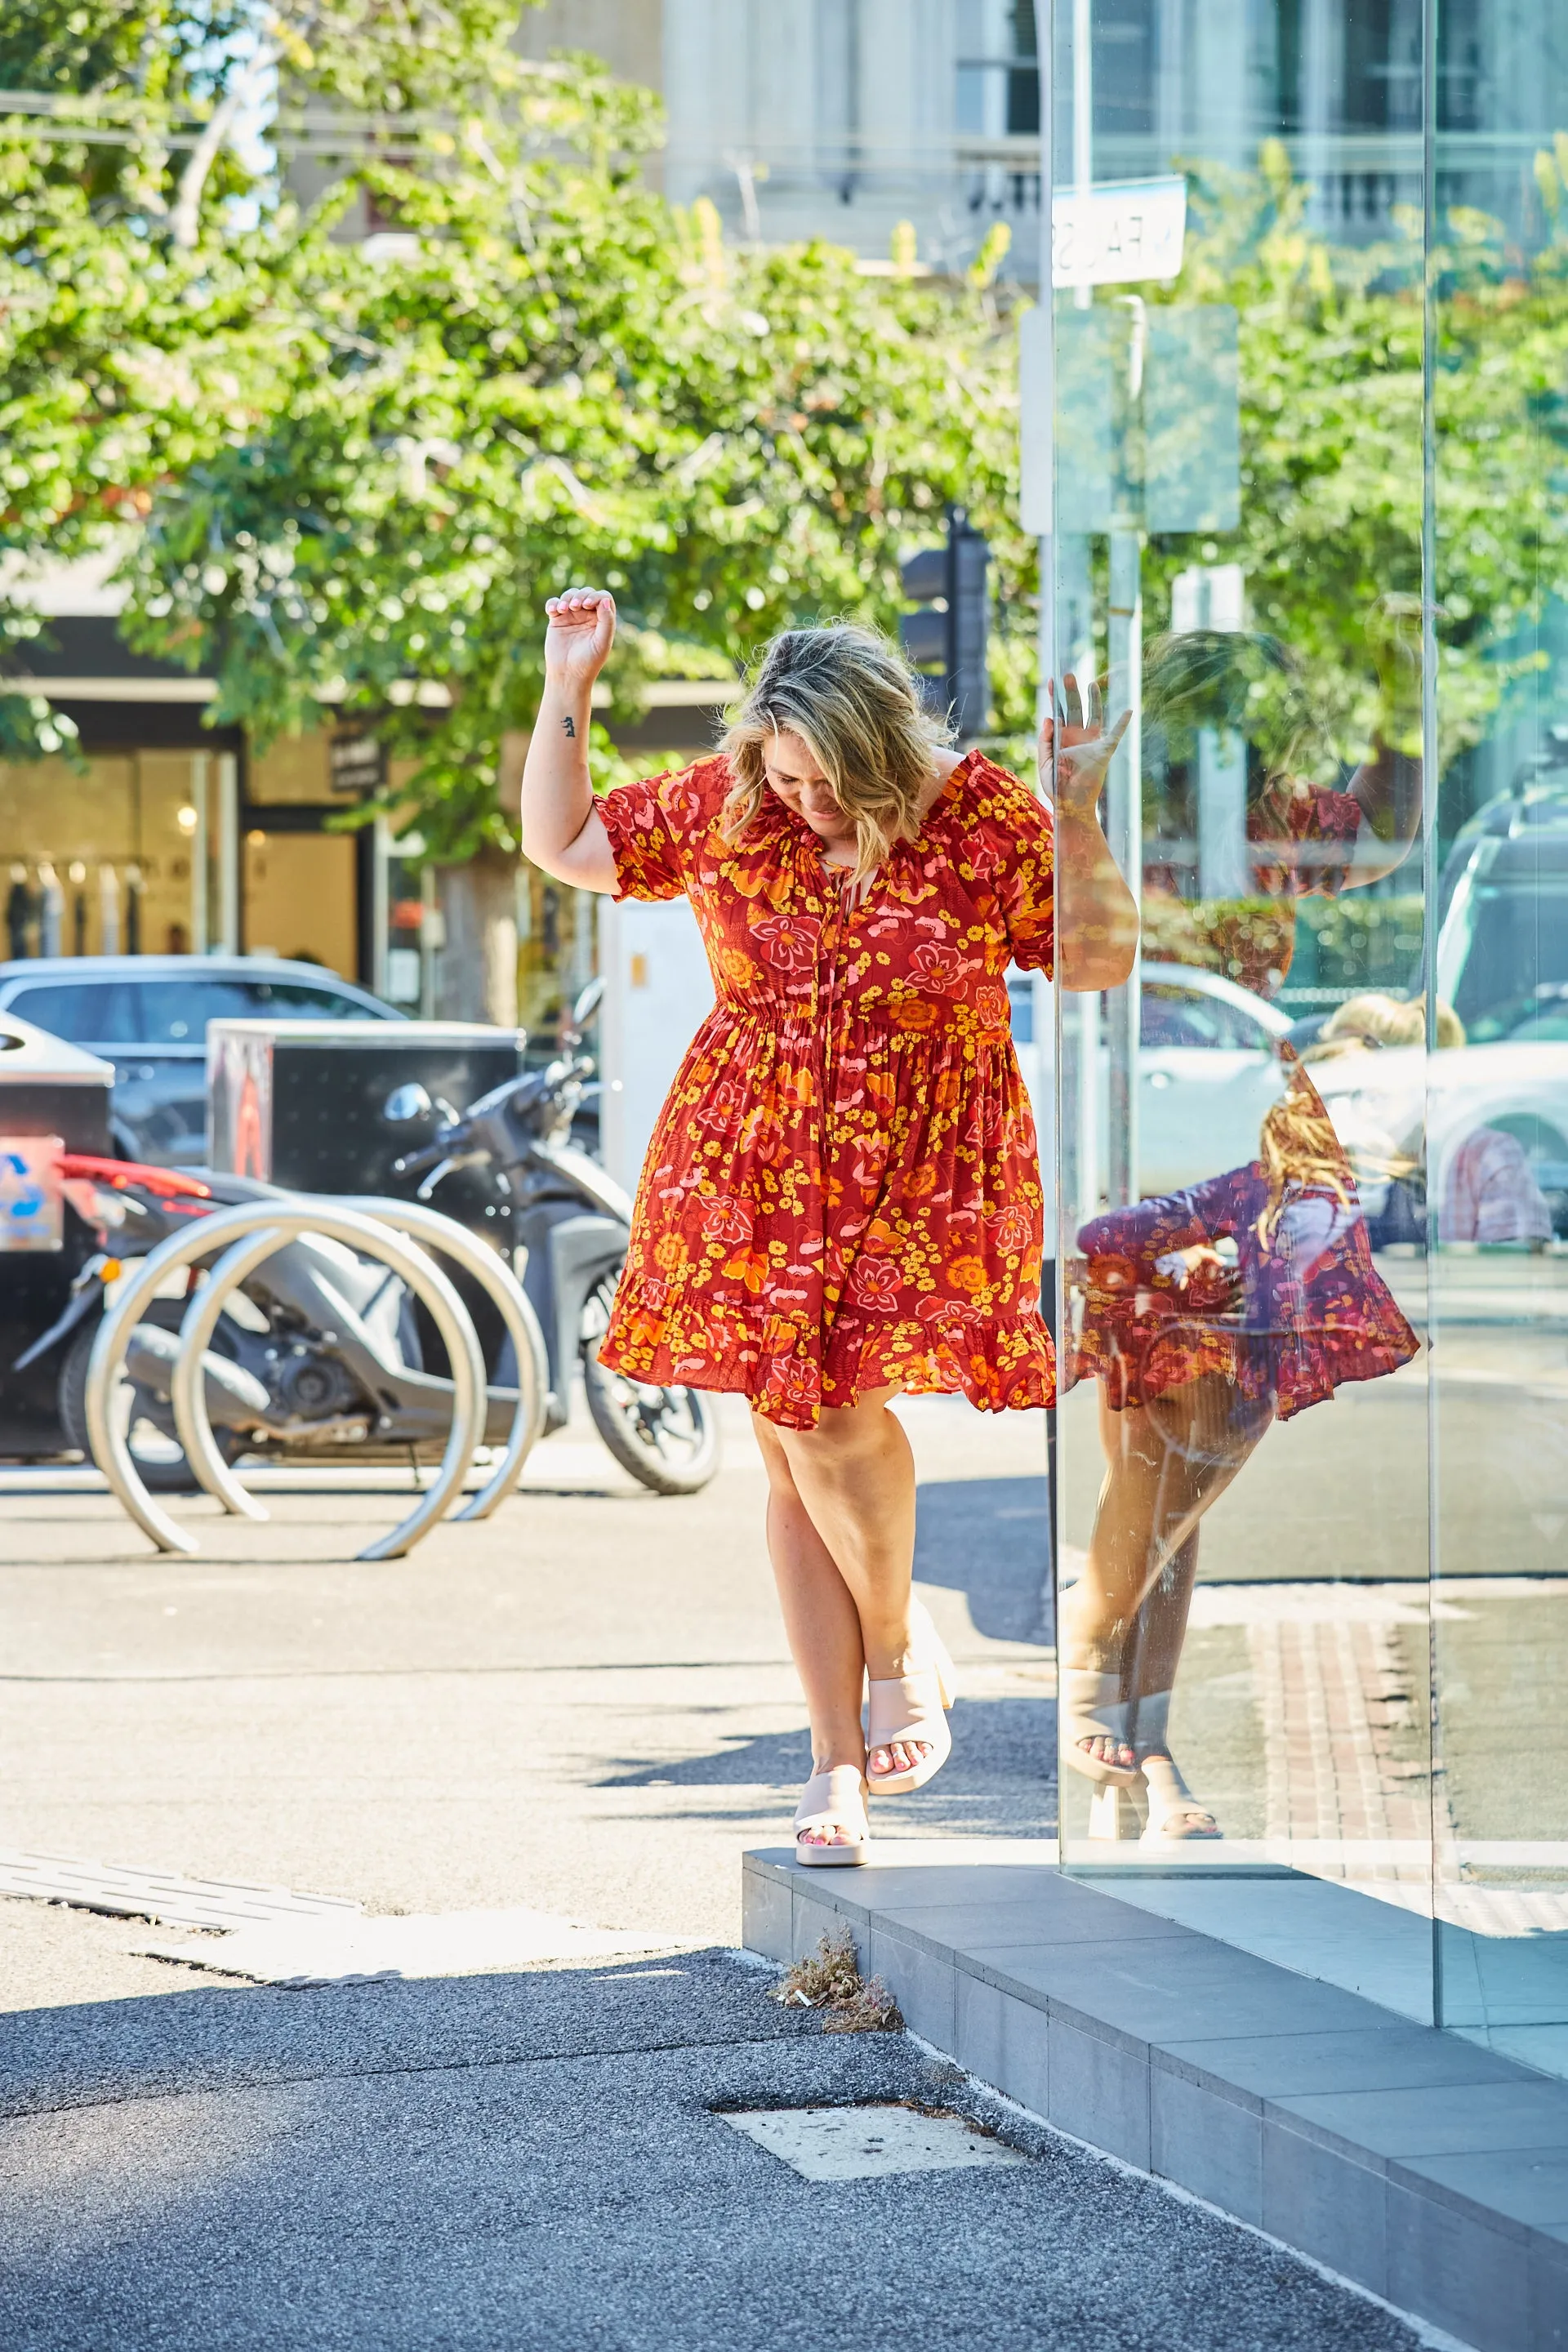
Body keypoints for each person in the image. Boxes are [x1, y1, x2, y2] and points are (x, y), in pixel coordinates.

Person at [519, 588, 1137, 1863]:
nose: (799, 802)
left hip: (917, 1171)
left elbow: (1093, 960)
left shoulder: (976, 817)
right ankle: (836, 1758)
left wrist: (1076, 814)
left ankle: (899, 1650)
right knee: (788, 1438)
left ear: (881, 755)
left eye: (822, 781)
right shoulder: (735, 801)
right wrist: (565, 683)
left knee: (828, 1424)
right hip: (747, 1163)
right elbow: (563, 841)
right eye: (782, 773)